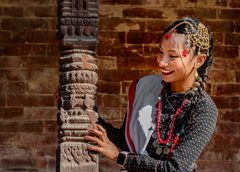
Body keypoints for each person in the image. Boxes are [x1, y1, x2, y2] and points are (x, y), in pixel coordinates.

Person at [84, 17, 218, 172]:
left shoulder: (204, 110)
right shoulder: (145, 88)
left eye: (172, 56)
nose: (161, 62)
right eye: (161, 52)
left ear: (199, 60)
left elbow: (174, 169)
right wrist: (87, 112)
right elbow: (126, 141)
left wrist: (120, 157)